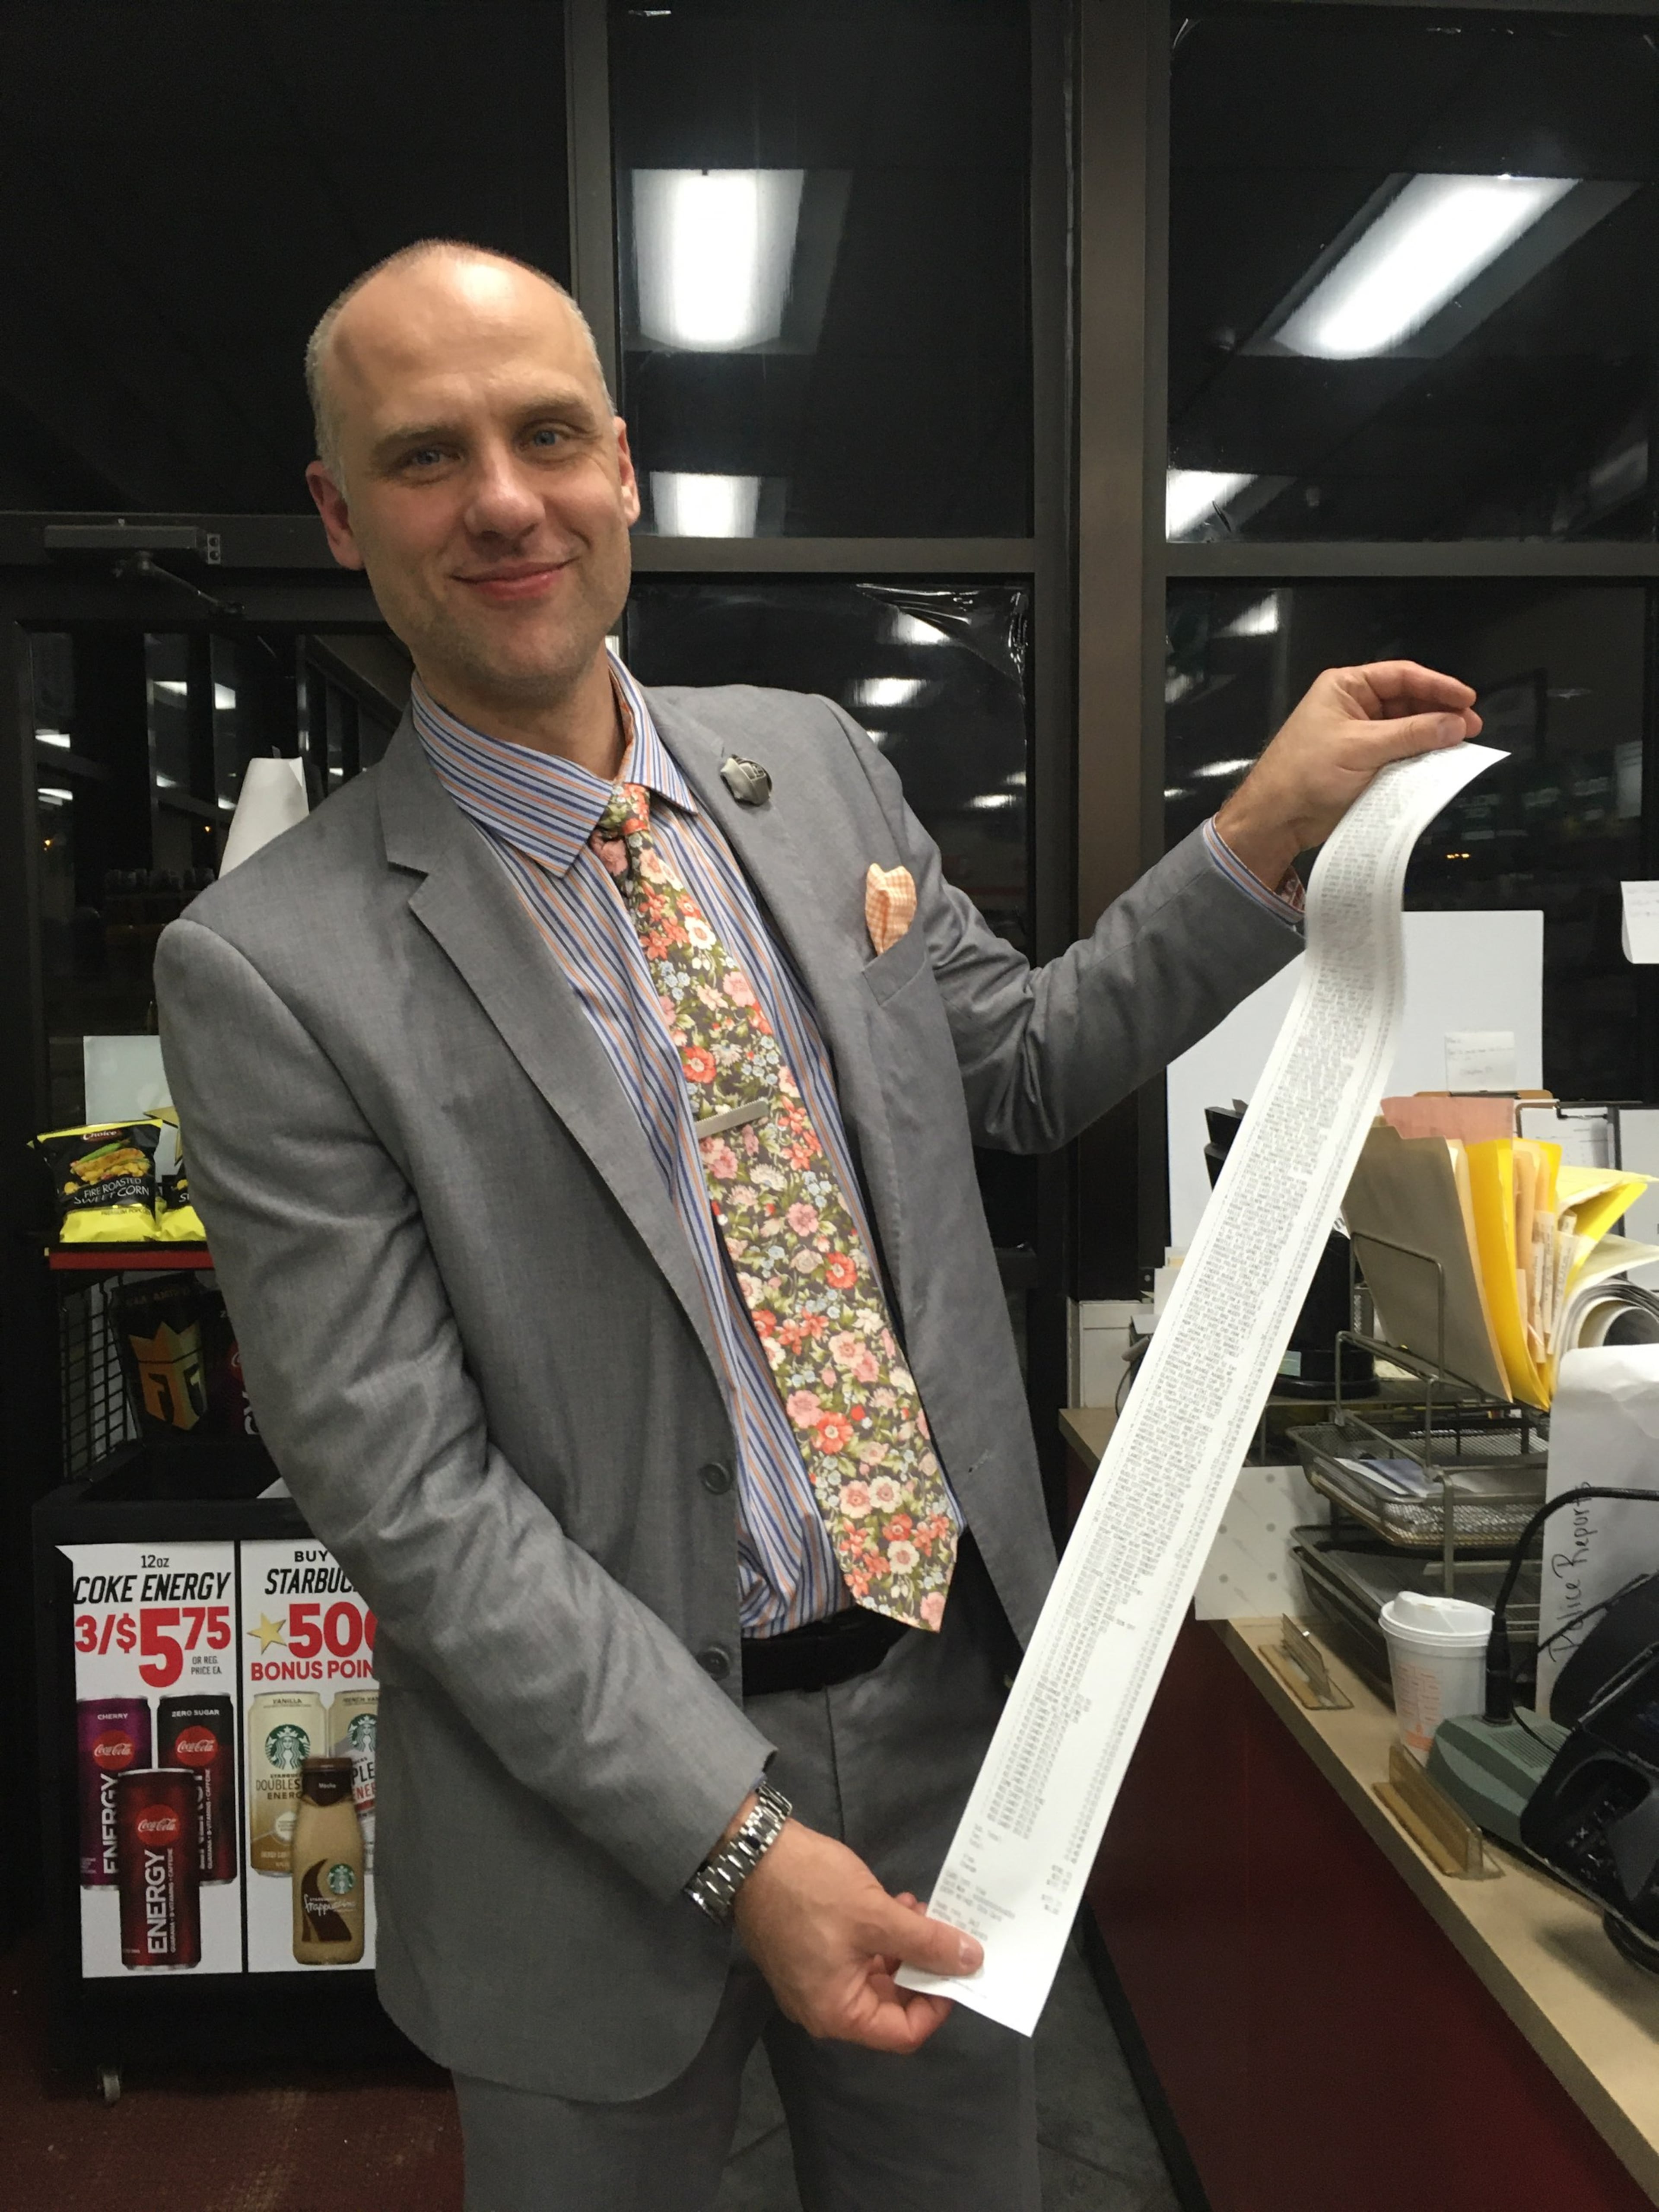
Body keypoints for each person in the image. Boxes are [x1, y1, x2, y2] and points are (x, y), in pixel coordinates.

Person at [155, 239, 1481, 2210]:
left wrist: (1260, 836)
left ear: (626, 467)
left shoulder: (818, 766)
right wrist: (738, 1839)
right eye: (429, 458)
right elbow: (404, 1491)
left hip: (950, 1723)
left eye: (545, 437)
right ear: (346, 516)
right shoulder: (271, 964)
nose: (505, 499)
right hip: (586, 1815)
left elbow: (1022, 1065)